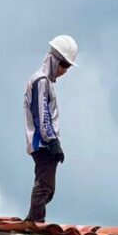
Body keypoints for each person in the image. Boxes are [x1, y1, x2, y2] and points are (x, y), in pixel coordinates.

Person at [24, 35, 78, 222]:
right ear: (55, 60)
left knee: (48, 187)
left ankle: (34, 220)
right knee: (44, 185)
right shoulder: (41, 81)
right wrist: (52, 141)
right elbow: (42, 114)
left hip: (44, 141)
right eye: (64, 65)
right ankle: (34, 223)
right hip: (42, 142)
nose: (65, 70)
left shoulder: (45, 82)